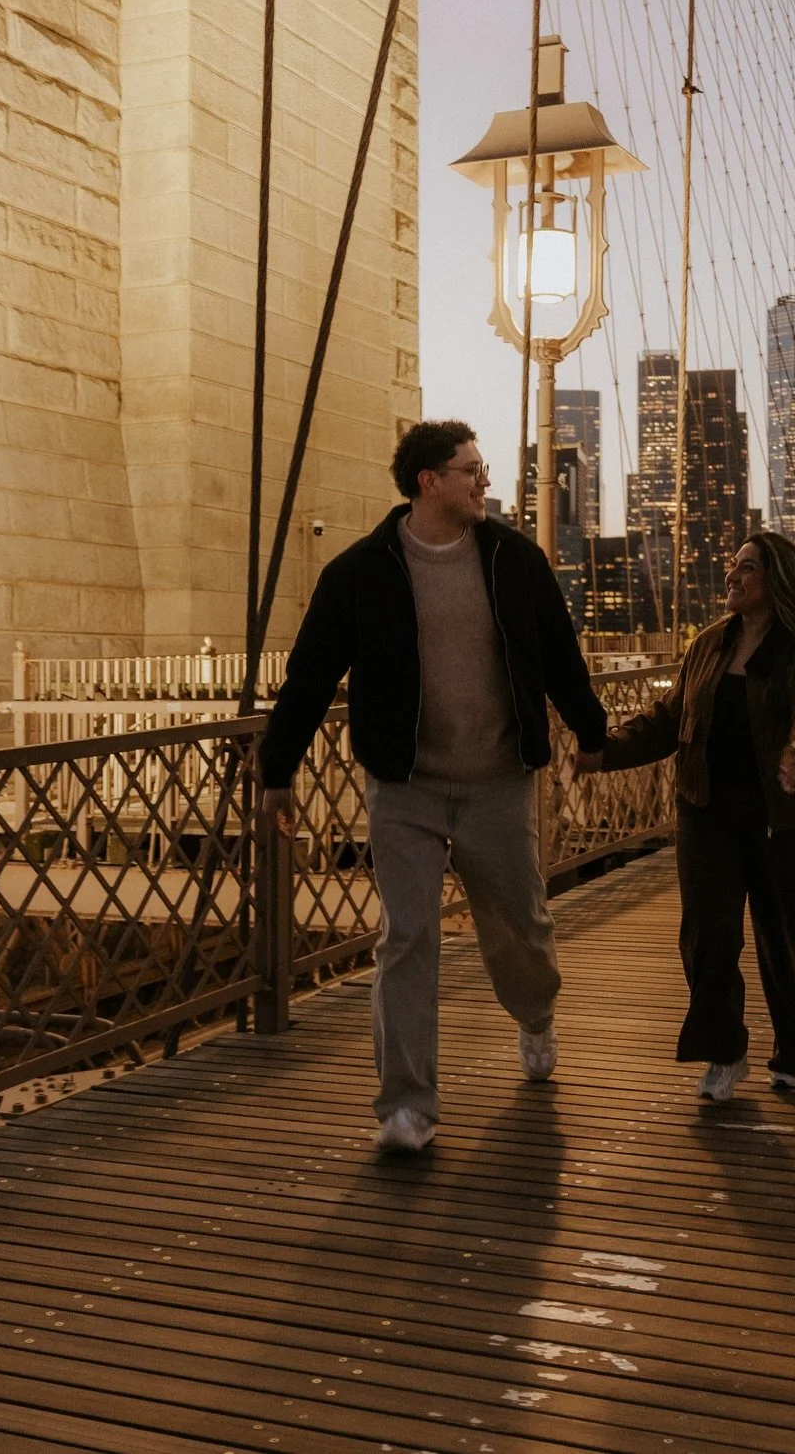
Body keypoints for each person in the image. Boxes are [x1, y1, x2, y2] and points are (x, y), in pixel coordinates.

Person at [258, 420, 607, 1152]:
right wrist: (277, 771)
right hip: (405, 785)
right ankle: (407, 1106)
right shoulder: (359, 573)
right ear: (430, 482)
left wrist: (593, 734)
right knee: (407, 937)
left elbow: (558, 655)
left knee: (520, 929)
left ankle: (535, 1016)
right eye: (471, 470)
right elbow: (309, 676)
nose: (485, 481)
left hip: (498, 782)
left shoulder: (514, 560)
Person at [575, 532, 795, 1103]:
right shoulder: (709, 644)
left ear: (776, 581)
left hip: (784, 818)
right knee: (708, 937)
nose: (732, 575)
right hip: (707, 812)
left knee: (789, 944)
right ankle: (724, 1052)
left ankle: (792, 1051)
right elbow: (669, 718)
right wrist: (604, 752)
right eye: (732, 564)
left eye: (747, 568)